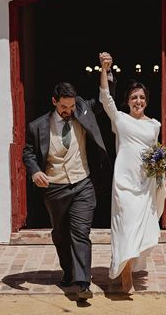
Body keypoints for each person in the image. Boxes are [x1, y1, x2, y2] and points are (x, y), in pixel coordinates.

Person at [22, 54, 115, 301]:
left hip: (83, 184)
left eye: (71, 106)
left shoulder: (83, 110)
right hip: (55, 188)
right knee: (61, 235)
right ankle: (68, 271)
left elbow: (105, 97)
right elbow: (28, 153)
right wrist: (36, 171)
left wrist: (107, 70)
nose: (68, 111)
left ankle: (83, 282)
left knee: (80, 231)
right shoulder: (37, 126)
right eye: (64, 107)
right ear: (54, 102)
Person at [99, 54, 166, 292]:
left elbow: (156, 150)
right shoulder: (120, 119)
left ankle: (130, 265)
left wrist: (162, 167)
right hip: (124, 181)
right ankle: (123, 269)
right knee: (125, 223)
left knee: (141, 226)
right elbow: (106, 99)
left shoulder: (154, 125)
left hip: (145, 182)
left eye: (141, 97)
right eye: (133, 97)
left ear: (146, 101)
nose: (137, 101)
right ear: (127, 101)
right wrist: (104, 70)